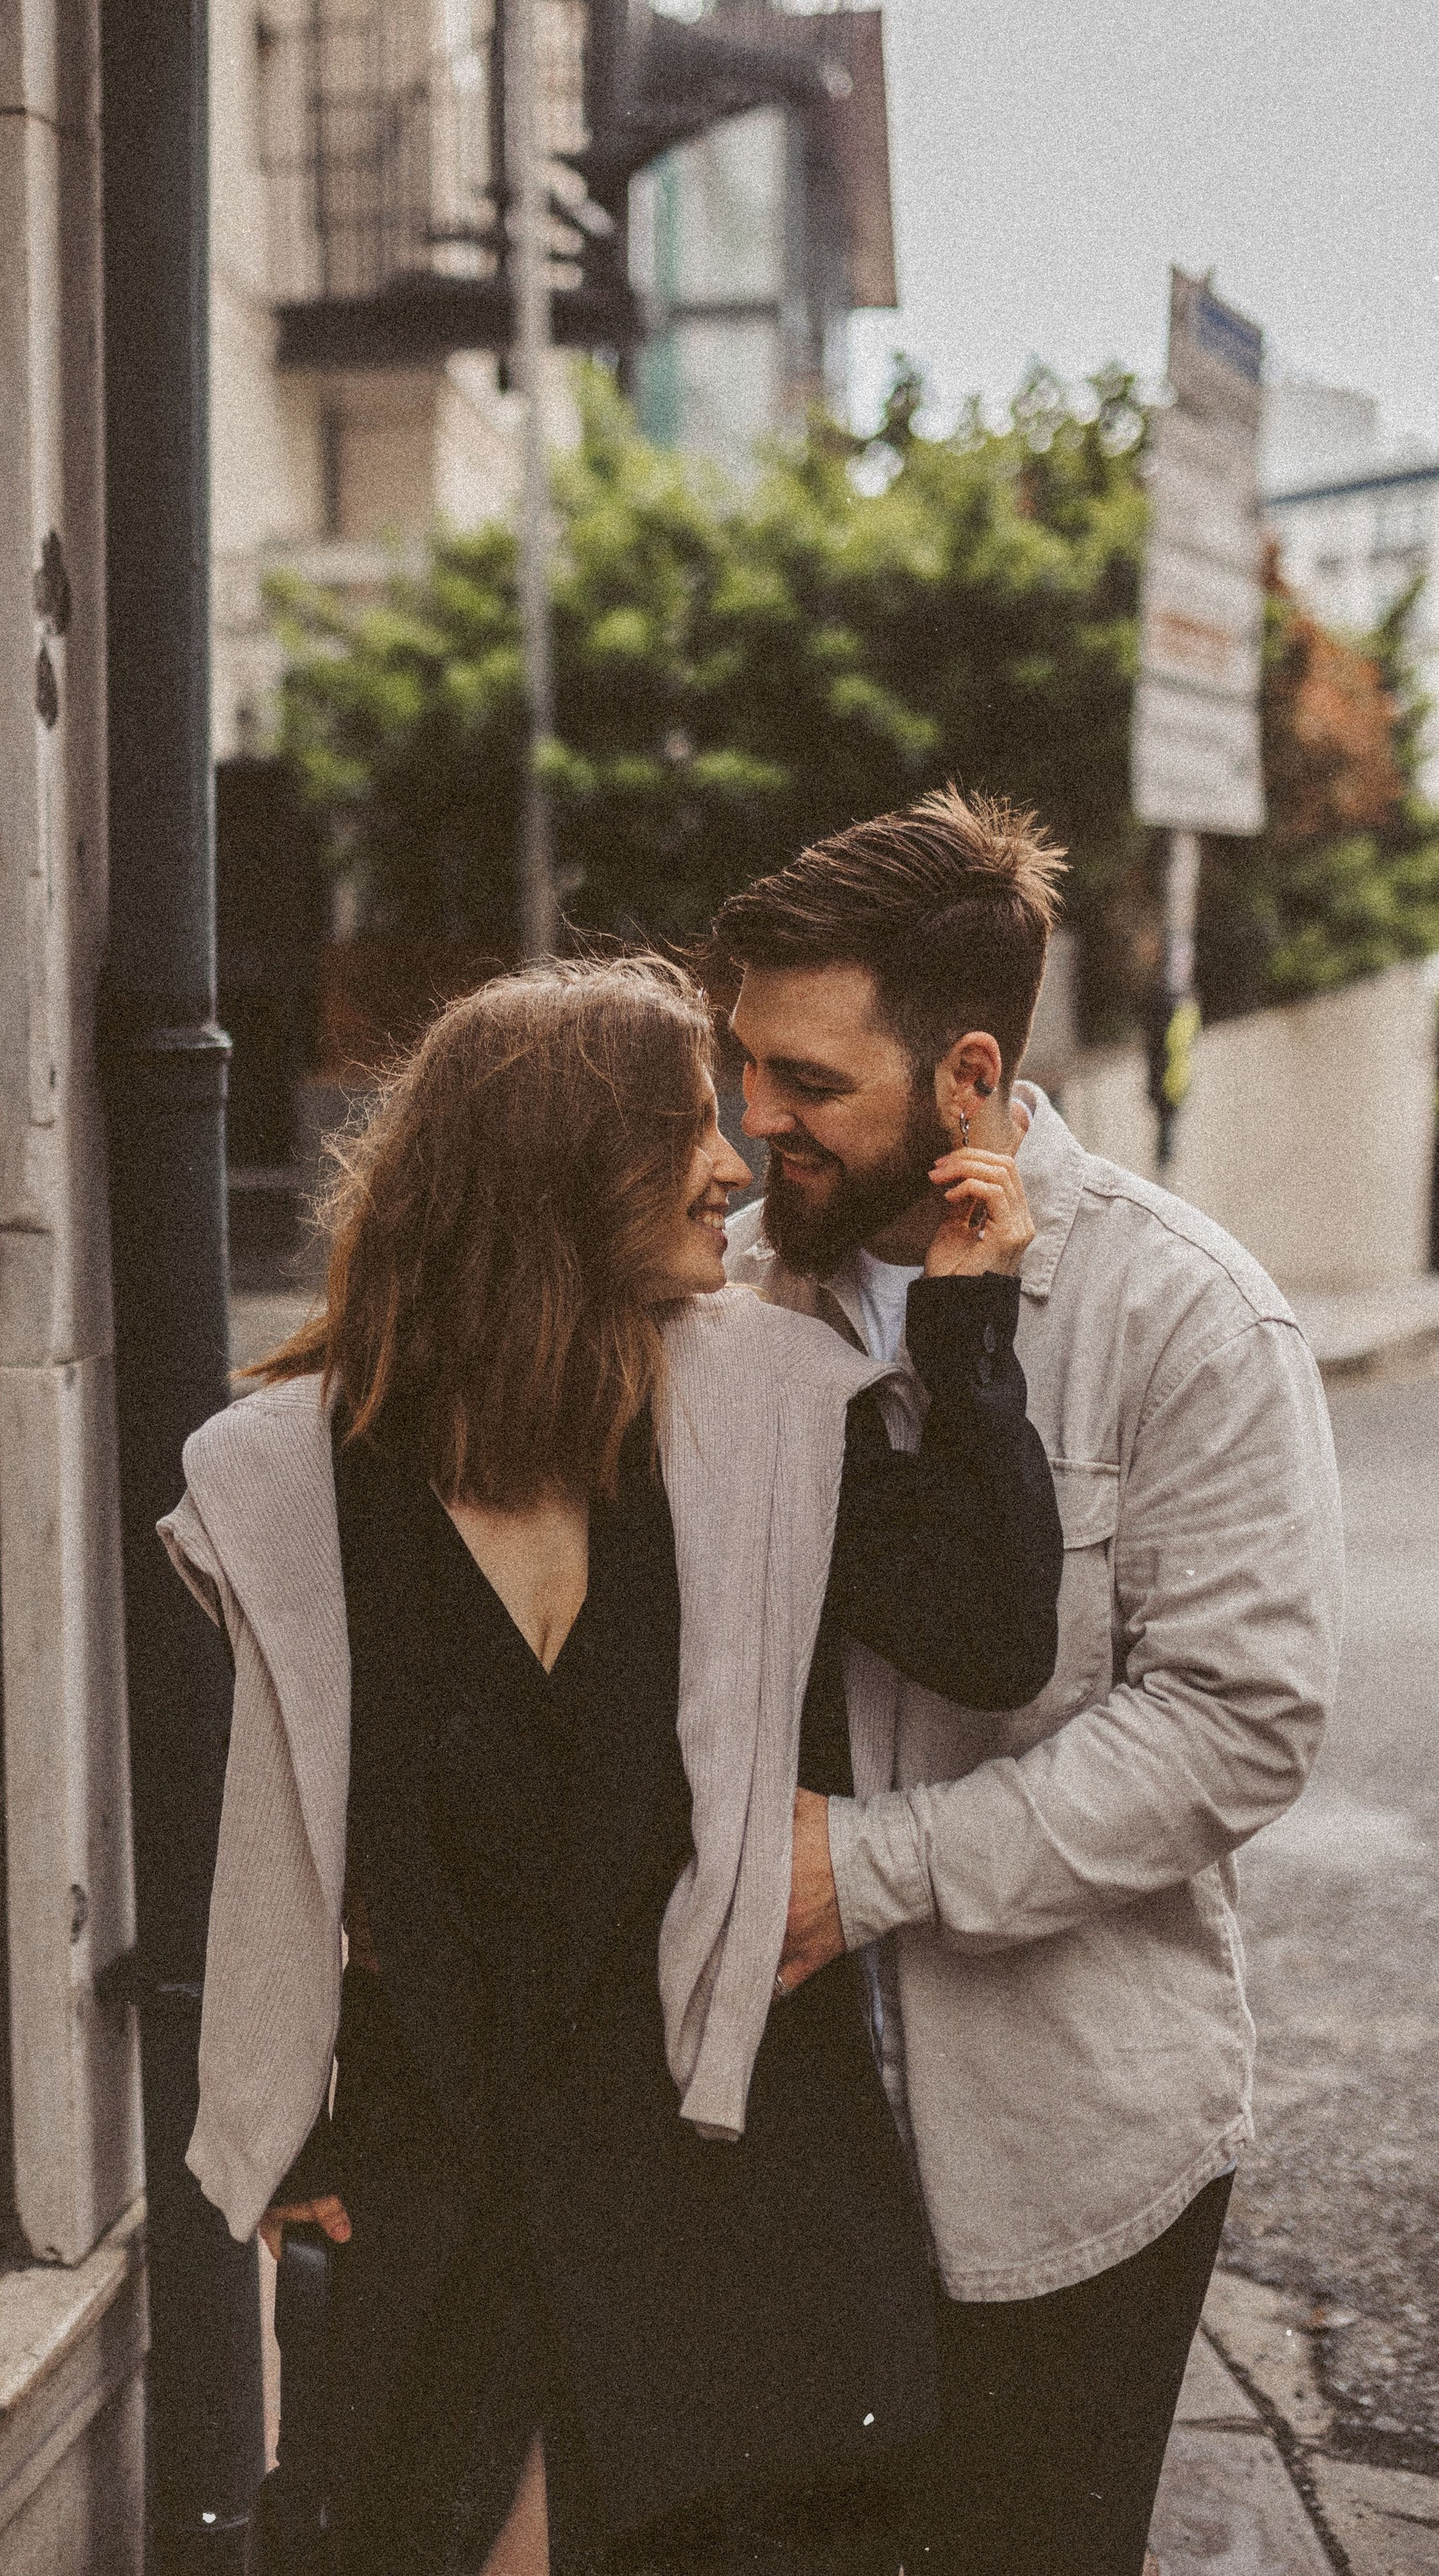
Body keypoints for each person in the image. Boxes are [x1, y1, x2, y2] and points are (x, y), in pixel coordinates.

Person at [159, 956, 1064, 2576]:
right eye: (684, 1130)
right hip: (452, 2190)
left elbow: (990, 1632)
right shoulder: (291, 1482)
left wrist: (967, 1323)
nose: (732, 1163)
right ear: (559, 1177)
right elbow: (274, 1834)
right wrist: (287, 2112)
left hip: (715, 2186)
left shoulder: (766, 1419)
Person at [715, 787, 1344, 2576]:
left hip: (1072, 2162)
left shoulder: (1185, 1319)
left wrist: (868, 1869)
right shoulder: (732, 1290)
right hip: (769, 2164)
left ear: (969, 1076)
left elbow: (1235, 1725)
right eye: (742, 1064)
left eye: (808, 1084)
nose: (755, 1118)